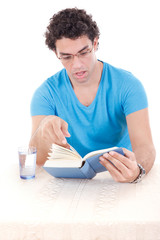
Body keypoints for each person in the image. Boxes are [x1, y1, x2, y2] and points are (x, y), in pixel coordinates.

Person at [29, 8, 156, 183]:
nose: (77, 65)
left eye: (84, 52)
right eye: (66, 57)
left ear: (95, 44)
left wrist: (137, 171)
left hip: (120, 176)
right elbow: (37, 158)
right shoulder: (46, 93)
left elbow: (145, 147)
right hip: (71, 180)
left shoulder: (128, 85)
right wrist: (43, 129)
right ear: (56, 53)